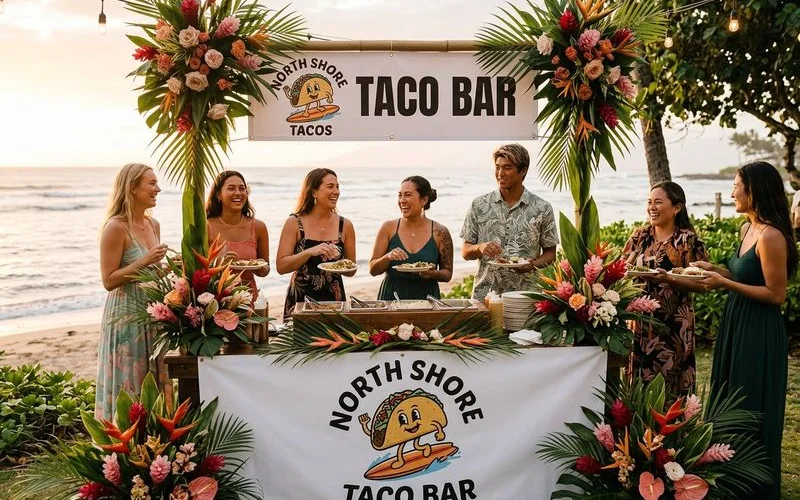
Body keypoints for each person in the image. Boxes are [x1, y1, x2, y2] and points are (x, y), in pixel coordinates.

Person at [692, 162, 796, 500]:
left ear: (754, 190)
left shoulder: (771, 236)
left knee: (750, 397)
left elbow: (775, 294)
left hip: (759, 329)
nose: (733, 192)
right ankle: (726, 478)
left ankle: (753, 486)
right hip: (737, 321)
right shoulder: (746, 228)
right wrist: (716, 270)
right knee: (728, 392)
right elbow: (745, 276)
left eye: (736, 186)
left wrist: (724, 283)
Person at [96, 163, 170, 420]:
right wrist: (146, 260)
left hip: (151, 311)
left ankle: (153, 438)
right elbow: (108, 280)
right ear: (132, 188)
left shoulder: (153, 224)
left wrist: (170, 267)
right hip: (126, 315)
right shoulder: (115, 227)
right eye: (152, 183)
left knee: (153, 378)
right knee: (129, 379)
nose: (157, 189)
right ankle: (123, 436)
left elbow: (152, 272)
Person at [622, 182, 707, 397]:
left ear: (676, 207)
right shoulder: (639, 237)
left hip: (674, 325)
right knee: (638, 385)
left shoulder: (688, 240)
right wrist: (624, 270)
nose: (652, 207)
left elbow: (702, 284)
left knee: (672, 385)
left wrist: (669, 278)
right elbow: (622, 269)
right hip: (641, 323)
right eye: (649, 202)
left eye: (658, 202)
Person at [460, 143, 558, 301]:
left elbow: (551, 254)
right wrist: (480, 247)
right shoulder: (479, 205)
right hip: (485, 296)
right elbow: (465, 252)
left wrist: (532, 265)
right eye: (497, 167)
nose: (500, 173)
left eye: (507, 167)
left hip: (526, 296)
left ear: (523, 170)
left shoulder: (542, 208)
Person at [276, 168, 356, 317]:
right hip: (301, 299)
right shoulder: (294, 222)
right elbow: (281, 266)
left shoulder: (345, 225)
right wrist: (309, 252)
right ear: (313, 192)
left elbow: (351, 270)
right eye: (330, 186)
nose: (336, 192)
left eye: (337, 187)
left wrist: (341, 265)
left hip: (334, 299)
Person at [369, 176, 454, 300]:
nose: (402, 200)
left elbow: (447, 274)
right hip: (392, 296)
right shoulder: (388, 228)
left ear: (424, 200)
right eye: (400, 195)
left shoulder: (440, 232)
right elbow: (373, 270)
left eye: (407, 195)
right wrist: (387, 257)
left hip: (427, 298)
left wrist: (433, 274)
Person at [206, 170, 269, 301]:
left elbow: (264, 270)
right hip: (214, 299)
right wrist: (219, 263)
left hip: (248, 298)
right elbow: (194, 270)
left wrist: (261, 268)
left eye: (242, 188)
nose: (238, 193)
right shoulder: (206, 226)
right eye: (231, 188)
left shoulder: (259, 227)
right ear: (218, 194)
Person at [790, 169, 800, 240]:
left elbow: (797, 217)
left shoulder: (798, 194)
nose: (791, 181)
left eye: (792, 179)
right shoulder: (797, 194)